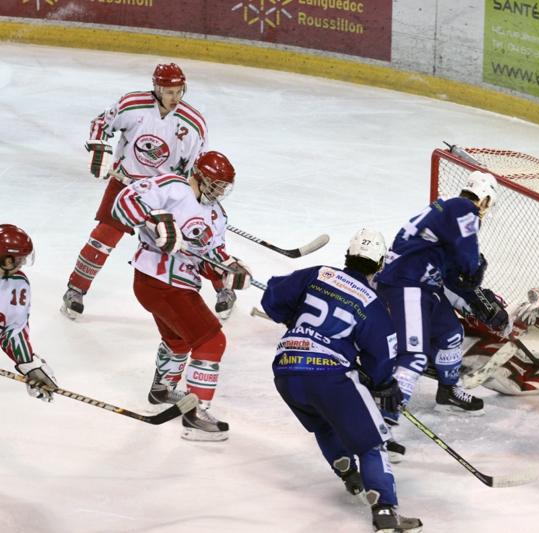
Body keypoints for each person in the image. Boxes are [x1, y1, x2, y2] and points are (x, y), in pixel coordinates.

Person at [260, 228, 423, 533]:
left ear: (348, 256)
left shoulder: (318, 273)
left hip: (285, 370)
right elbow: (381, 357)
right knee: (372, 444)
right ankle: (385, 510)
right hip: (328, 377)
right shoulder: (372, 302)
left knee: (323, 423)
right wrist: (383, 383)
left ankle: (349, 474)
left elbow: (272, 296)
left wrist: (291, 319)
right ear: (379, 266)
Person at [62, 63, 236, 320]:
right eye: (168, 92)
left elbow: (196, 167)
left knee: (196, 238)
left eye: (179, 91)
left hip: (167, 191)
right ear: (156, 88)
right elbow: (102, 123)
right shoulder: (132, 105)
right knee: (103, 237)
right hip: (126, 184)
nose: (175, 98)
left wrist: (192, 201)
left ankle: (224, 287)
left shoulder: (193, 123)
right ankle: (75, 290)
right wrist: (99, 149)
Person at [111, 151, 251, 441]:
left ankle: (162, 389)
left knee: (179, 339)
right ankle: (195, 416)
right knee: (212, 341)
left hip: (173, 284)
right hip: (159, 280)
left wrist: (229, 270)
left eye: (224, 186)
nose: (220, 191)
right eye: (215, 184)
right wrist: (155, 221)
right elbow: (123, 203)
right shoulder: (171, 187)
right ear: (199, 175)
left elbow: (210, 256)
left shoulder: (217, 215)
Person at [374, 170, 509, 418]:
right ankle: (387, 419)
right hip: (407, 286)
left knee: (450, 333)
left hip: (423, 286)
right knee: (414, 356)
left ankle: (448, 392)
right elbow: (467, 261)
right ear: (486, 199)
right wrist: (474, 273)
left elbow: (450, 272)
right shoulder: (464, 209)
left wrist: (474, 296)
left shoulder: (446, 208)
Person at [0, 225, 58, 402]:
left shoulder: (16, 285)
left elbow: (13, 329)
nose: (23, 263)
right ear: (7, 260)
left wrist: (29, 365)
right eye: (20, 259)